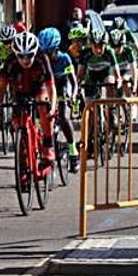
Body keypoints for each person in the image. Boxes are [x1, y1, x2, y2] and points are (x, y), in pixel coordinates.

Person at [0, 32, 57, 162]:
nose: (26, 60)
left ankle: (48, 145)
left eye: (30, 56)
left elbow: (51, 87)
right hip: (19, 91)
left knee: (44, 107)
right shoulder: (10, 61)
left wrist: (52, 107)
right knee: (17, 122)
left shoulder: (42, 59)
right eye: (21, 56)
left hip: (38, 88)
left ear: (35, 52)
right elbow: (2, 87)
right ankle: (24, 148)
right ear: (15, 54)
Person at [38, 27, 79, 173]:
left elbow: (73, 81)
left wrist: (72, 96)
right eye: (44, 53)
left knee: (63, 116)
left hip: (62, 87)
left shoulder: (64, 59)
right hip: (48, 88)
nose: (46, 56)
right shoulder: (41, 61)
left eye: (49, 52)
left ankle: (72, 149)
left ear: (56, 49)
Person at [78, 29, 121, 99]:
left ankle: (111, 106)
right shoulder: (85, 52)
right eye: (95, 46)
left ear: (105, 44)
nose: (98, 50)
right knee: (89, 99)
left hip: (106, 72)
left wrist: (118, 81)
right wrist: (78, 84)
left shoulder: (109, 51)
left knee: (110, 83)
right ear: (90, 45)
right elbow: (80, 74)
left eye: (101, 46)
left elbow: (117, 72)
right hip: (91, 73)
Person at [110, 29, 138, 97]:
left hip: (127, 70)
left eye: (119, 46)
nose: (116, 49)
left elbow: (134, 70)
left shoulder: (128, 51)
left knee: (125, 81)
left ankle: (130, 104)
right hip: (115, 71)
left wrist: (135, 86)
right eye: (114, 47)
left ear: (123, 44)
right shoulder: (110, 52)